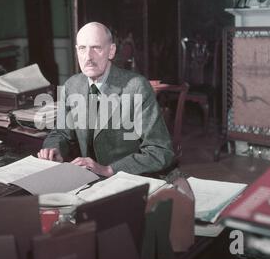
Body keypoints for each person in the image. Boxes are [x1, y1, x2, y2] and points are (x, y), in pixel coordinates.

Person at [38, 22, 174, 177]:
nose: (88, 57)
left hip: (125, 180)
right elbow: (61, 133)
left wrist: (109, 169)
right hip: (84, 179)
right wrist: (54, 149)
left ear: (111, 51)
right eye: (82, 48)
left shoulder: (136, 87)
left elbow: (160, 151)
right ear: (77, 51)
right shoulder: (72, 85)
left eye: (96, 48)